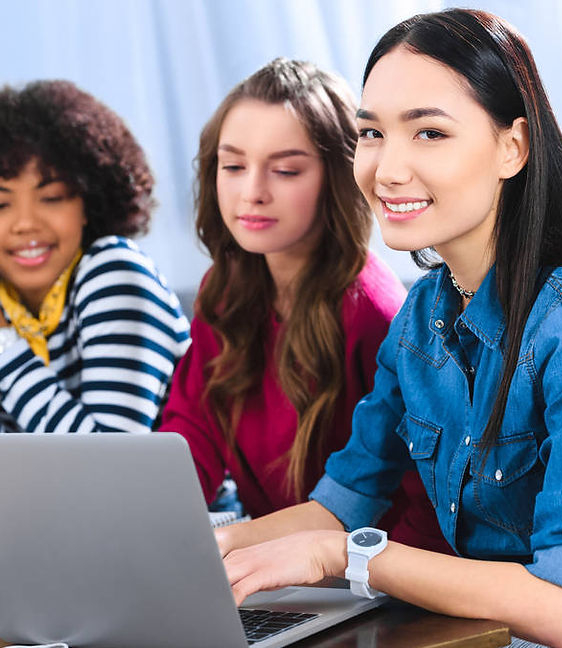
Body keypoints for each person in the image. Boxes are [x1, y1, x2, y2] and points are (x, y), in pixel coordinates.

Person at [216, 10, 562, 648]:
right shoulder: (421, 319)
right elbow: (342, 504)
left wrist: (347, 556)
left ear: (513, 148)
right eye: (372, 133)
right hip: (505, 636)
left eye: (430, 134)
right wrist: (202, 548)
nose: (386, 169)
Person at [158, 58, 449, 551]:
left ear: (339, 176)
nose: (252, 193)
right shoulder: (225, 293)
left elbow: (412, 509)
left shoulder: (375, 314)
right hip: (275, 569)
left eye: (286, 170)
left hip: (369, 582)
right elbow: (189, 439)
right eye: (232, 166)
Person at [0, 81, 190, 435]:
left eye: (52, 197)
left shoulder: (115, 274)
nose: (26, 223)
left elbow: (107, 465)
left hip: (177, 494)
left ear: (87, 204)